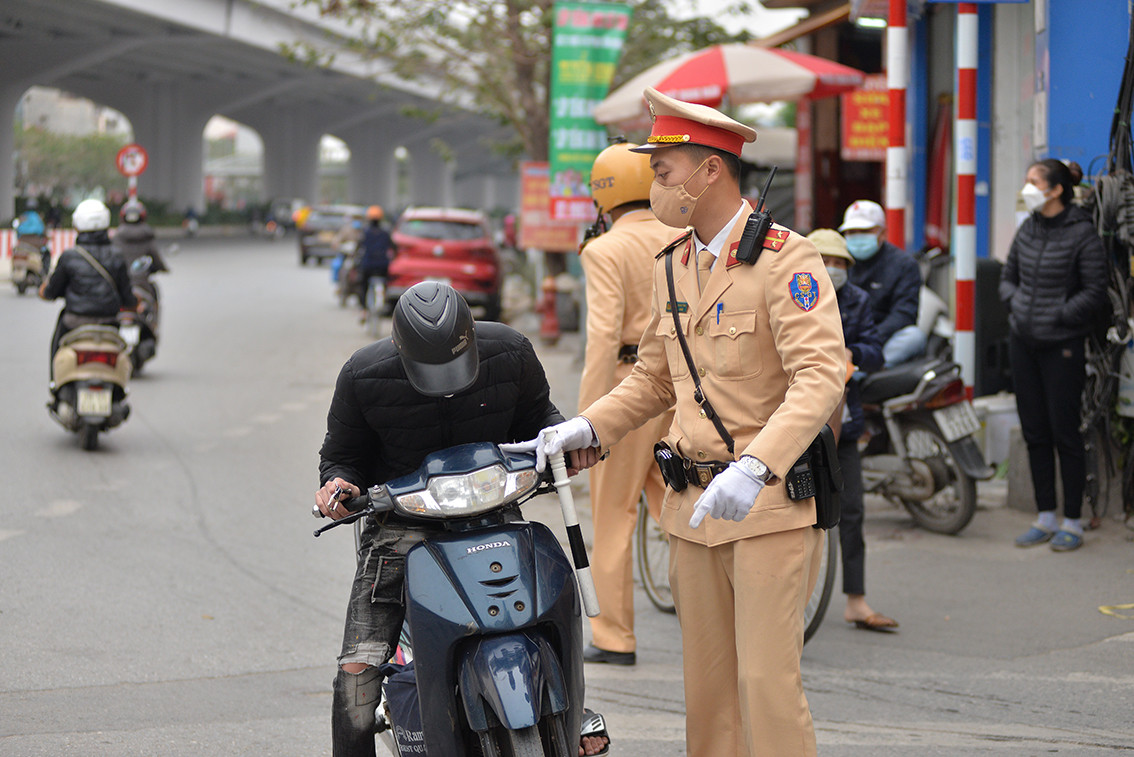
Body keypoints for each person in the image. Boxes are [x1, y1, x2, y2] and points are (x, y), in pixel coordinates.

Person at [505, 88, 846, 757]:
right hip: (691, 507)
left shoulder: (786, 258)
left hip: (767, 504)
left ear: (710, 170)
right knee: (709, 692)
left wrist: (758, 465)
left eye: (664, 169)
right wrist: (588, 427)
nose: (655, 182)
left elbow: (820, 376)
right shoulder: (674, 262)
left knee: (765, 684)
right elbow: (654, 379)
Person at [313, 281, 609, 757]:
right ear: (400, 349)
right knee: (358, 668)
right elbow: (342, 457)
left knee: (553, 611)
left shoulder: (509, 352)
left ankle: (566, 707)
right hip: (403, 524)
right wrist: (338, 486)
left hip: (494, 514)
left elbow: (541, 420)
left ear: (471, 336)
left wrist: (568, 445)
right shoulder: (363, 375)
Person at [576, 142, 676, 666]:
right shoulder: (684, 236)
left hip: (629, 388)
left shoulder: (605, 250)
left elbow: (601, 338)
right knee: (682, 507)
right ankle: (723, 610)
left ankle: (614, 637)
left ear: (602, 194)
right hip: (686, 387)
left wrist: (587, 420)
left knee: (614, 517)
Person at [1001, 159, 1109, 552]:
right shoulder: (1028, 227)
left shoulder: (1082, 233)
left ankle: (1073, 521)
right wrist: (1018, 308)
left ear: (1056, 189)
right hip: (1023, 342)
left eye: (1033, 181)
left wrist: (1057, 315)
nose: (1026, 187)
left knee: (1065, 432)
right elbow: (1007, 278)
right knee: (1034, 432)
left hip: (1062, 345)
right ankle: (1045, 515)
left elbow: (1094, 291)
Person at [807, 229, 898, 632]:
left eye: (839, 262)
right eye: (824, 261)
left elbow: (875, 353)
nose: (832, 269)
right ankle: (790, 600)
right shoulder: (791, 294)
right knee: (794, 515)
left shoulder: (857, 300)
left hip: (841, 423)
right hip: (792, 423)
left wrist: (851, 352)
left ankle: (856, 601)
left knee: (853, 511)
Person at [39, 199, 136, 379]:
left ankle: (54, 382)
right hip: (110, 323)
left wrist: (44, 291)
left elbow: (51, 292)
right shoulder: (117, 256)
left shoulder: (69, 256)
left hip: (74, 322)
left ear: (77, 225)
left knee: (57, 345)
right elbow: (127, 297)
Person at [839, 199, 924, 367]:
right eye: (852, 232)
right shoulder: (839, 261)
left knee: (913, 337)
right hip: (843, 337)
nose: (858, 237)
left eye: (865, 231)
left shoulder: (904, 265)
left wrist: (865, 344)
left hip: (882, 339)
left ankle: (864, 370)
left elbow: (904, 314)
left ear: (882, 233)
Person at [354, 205, 393, 322]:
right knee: (387, 282)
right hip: (382, 266)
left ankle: (364, 310)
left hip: (368, 266)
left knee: (363, 285)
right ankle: (385, 300)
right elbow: (394, 248)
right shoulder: (385, 233)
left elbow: (358, 247)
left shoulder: (365, 232)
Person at [115, 200, 170, 272]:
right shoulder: (147, 236)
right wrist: (163, 268)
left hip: (123, 277)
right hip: (142, 277)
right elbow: (155, 257)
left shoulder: (117, 236)